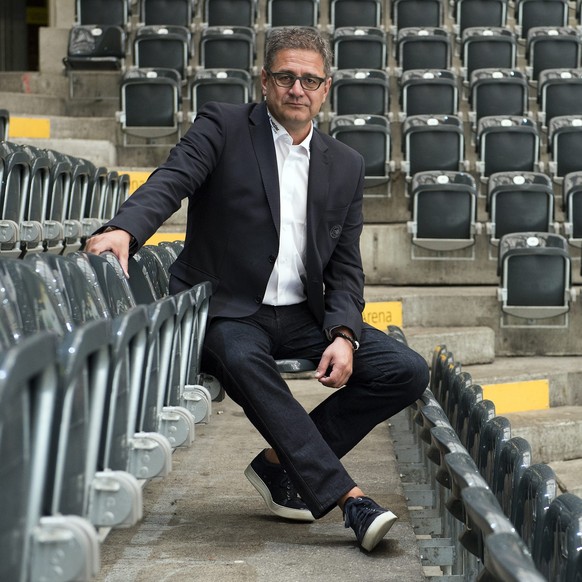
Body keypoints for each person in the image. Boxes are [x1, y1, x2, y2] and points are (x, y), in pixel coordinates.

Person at [85, 26, 429, 553]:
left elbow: (344, 266)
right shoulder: (223, 126)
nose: (298, 89)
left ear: (325, 88)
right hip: (227, 311)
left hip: (301, 315)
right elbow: (170, 180)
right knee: (246, 362)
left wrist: (342, 332)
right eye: (286, 77)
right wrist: (126, 229)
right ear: (264, 81)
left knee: (404, 370)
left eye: (309, 79)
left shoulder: (346, 165)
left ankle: (278, 468)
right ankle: (350, 500)